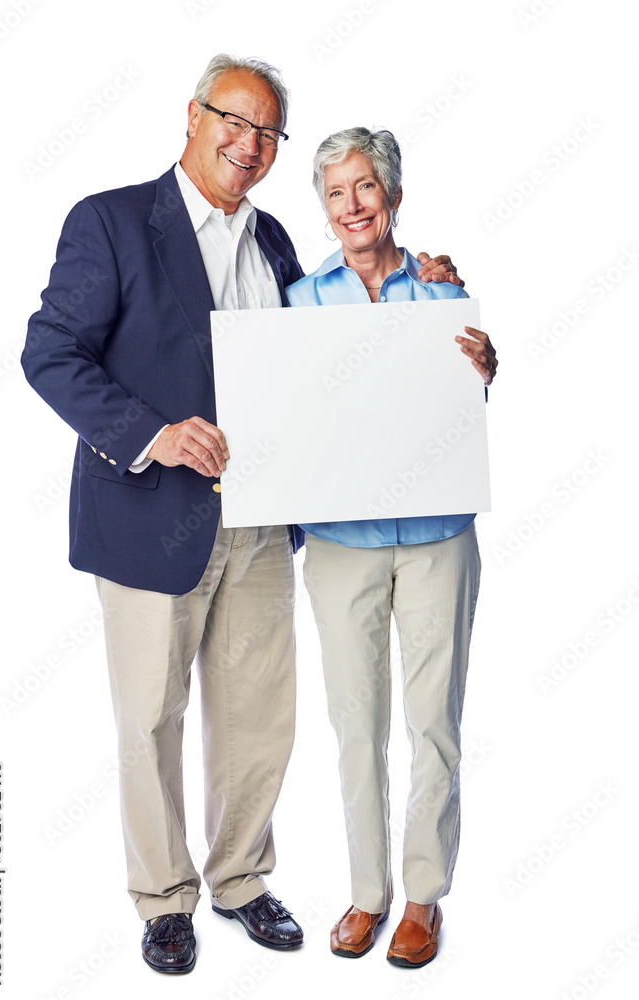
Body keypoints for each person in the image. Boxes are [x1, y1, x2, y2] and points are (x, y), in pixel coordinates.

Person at [21, 54, 465, 976]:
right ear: (193, 116)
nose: (248, 142)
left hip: (262, 526)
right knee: (151, 718)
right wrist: (154, 432)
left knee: (261, 716)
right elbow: (49, 351)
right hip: (150, 514)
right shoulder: (109, 222)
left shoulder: (274, 248)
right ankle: (163, 897)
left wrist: (433, 303)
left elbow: (340, 366)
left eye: (267, 132)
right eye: (234, 120)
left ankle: (239, 880)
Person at [286, 127, 498, 968]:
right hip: (342, 543)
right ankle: (365, 893)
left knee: (431, 722)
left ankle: (421, 898)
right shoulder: (299, 302)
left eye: (364, 187)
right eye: (334, 193)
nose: (351, 206)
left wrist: (486, 367)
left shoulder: (442, 294)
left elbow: (460, 413)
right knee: (353, 723)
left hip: (439, 535)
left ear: (393, 196)